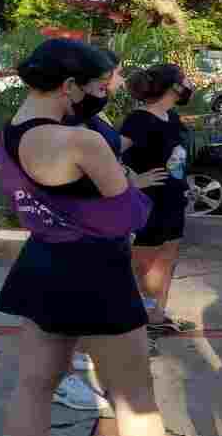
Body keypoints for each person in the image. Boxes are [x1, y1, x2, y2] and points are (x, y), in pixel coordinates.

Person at [0, 38, 176, 436]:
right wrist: (126, 181)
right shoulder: (81, 141)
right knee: (135, 399)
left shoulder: (11, 130)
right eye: (98, 85)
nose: (103, 93)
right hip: (96, 270)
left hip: (42, 262)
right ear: (70, 86)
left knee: (34, 386)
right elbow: (131, 214)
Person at [53, 47, 171, 412]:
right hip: (84, 224)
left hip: (102, 223)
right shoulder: (73, 119)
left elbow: (114, 154)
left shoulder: (94, 113)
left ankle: (74, 362)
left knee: (83, 298)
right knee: (72, 299)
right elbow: (88, 167)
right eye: (115, 74)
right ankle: (62, 379)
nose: (121, 81)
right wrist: (131, 184)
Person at [121, 64, 200, 334]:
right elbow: (109, 155)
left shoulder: (171, 117)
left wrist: (185, 185)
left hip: (173, 200)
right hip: (148, 204)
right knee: (141, 264)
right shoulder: (139, 119)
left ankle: (156, 317)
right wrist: (132, 182)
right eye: (183, 80)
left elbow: (175, 159)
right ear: (172, 86)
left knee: (167, 259)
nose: (188, 84)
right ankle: (131, 320)